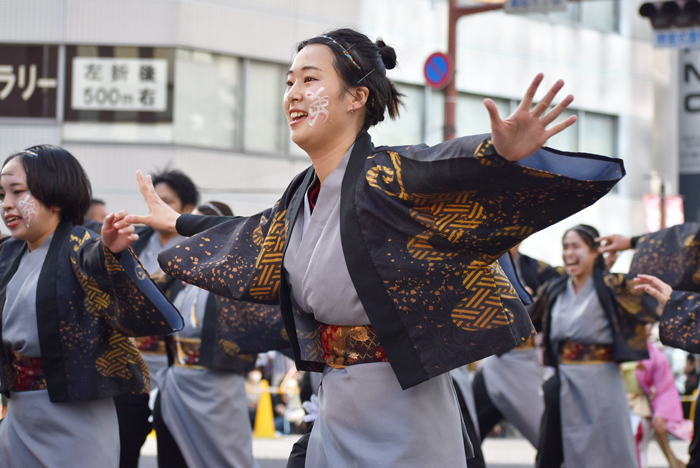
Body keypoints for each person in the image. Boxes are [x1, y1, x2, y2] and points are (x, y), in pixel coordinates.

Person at [120, 29, 625, 467]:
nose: (293, 93)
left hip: (404, 408)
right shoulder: (299, 197)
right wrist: (179, 222)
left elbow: (438, 165)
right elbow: (250, 236)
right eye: (289, 81)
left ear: (356, 97)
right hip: (336, 403)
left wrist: (497, 155)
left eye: (310, 79)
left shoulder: (385, 175)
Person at [0, 145, 182, 467]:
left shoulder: (80, 246)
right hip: (19, 414)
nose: (6, 204)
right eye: (2, 194)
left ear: (55, 196)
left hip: (76, 418)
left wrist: (110, 251)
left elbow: (94, 261)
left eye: (17, 192)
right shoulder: (8, 255)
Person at [153, 200, 285, 468]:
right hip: (178, 381)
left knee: (228, 459)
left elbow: (267, 318)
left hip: (216, 385)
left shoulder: (235, 277)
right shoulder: (179, 277)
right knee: (174, 458)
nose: (193, 239)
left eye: (200, 230)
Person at [531, 225, 658, 468]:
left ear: (594, 252)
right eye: (565, 247)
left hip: (602, 377)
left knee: (609, 447)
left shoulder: (612, 286)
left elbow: (651, 295)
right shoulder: (555, 289)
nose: (569, 253)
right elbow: (529, 318)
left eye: (576, 246)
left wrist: (632, 244)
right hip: (565, 377)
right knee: (554, 448)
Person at [114, 168, 199, 468]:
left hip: (178, 370)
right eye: (153, 200)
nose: (157, 207)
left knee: (174, 454)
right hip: (131, 369)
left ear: (188, 209)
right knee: (123, 448)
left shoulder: (201, 249)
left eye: (167, 201)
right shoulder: (133, 241)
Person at [470, 244, 560, 447]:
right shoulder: (481, 263)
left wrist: (534, 305)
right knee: (468, 431)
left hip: (524, 361)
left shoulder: (541, 270)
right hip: (493, 361)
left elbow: (561, 297)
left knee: (545, 436)